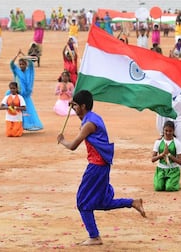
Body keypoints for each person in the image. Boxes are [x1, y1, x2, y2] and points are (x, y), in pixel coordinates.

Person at [56, 90, 146, 246]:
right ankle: (132, 202)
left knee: (82, 202)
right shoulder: (93, 117)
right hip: (102, 167)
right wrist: (74, 105)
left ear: (83, 106)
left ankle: (94, 236)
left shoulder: (89, 124)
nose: (74, 109)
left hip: (96, 168)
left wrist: (62, 140)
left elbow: (72, 146)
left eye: (76, 106)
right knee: (102, 202)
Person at [9, 49, 43, 131]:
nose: (21, 66)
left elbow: (31, 62)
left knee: (28, 110)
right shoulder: (17, 71)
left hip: (26, 95)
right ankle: (20, 125)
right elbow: (11, 64)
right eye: (20, 64)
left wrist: (24, 55)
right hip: (19, 94)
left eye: (23, 64)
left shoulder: (30, 71)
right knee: (18, 111)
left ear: (26, 64)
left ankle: (28, 125)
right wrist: (17, 55)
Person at [156, 90, 181, 165]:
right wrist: (161, 132)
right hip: (166, 120)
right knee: (165, 145)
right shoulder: (164, 89)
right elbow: (160, 113)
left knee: (179, 146)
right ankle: (165, 166)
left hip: (180, 122)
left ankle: (177, 169)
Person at [151, 120, 181, 191]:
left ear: (173, 131)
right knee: (158, 187)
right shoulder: (158, 142)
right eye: (166, 130)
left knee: (169, 188)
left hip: (173, 170)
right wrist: (162, 155)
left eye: (170, 131)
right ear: (163, 130)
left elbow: (180, 162)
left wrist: (169, 154)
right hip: (161, 169)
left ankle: (175, 182)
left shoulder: (177, 143)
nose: (168, 133)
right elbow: (152, 159)